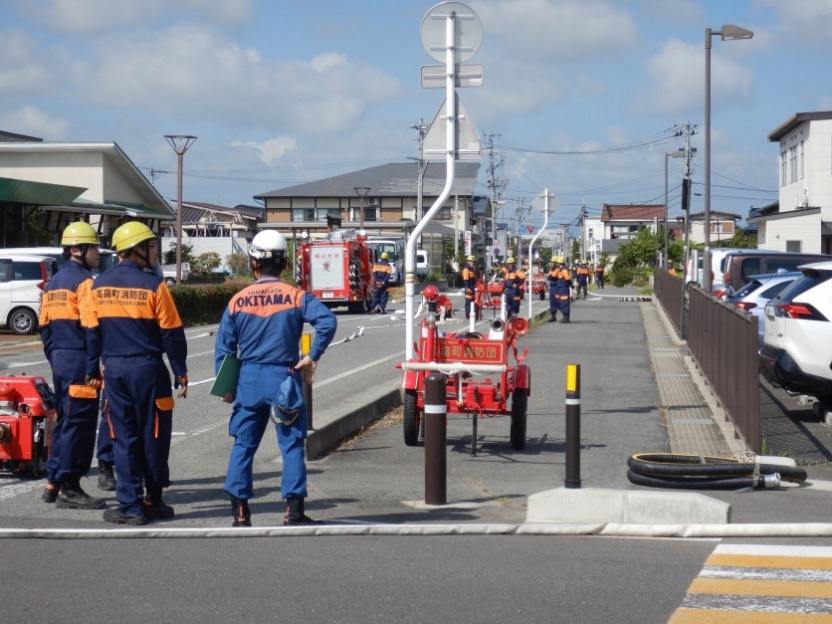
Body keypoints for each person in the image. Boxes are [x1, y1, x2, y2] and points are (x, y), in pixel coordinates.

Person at [215, 230, 337, 527]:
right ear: (283, 264)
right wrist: (312, 356)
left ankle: (240, 514)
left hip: (248, 379)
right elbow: (328, 321)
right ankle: (293, 512)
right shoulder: (296, 297)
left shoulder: (238, 301)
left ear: (254, 262)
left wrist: (226, 385)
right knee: (292, 444)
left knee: (243, 445)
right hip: (284, 377)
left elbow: (225, 347)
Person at [84, 221, 188, 525]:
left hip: (114, 371)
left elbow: (92, 333)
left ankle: (130, 506)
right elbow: (172, 333)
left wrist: (92, 369)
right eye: (152, 246)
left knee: (123, 437)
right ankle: (153, 500)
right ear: (137, 249)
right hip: (148, 370)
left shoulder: (98, 286)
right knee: (154, 434)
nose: (155, 252)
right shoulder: (155, 286)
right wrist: (180, 370)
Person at [38, 222, 106, 510]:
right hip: (80, 358)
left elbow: (43, 327)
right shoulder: (85, 283)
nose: (98, 253)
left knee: (65, 422)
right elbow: (93, 328)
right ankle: (71, 487)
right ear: (78, 250)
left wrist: (55, 355)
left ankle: (53, 482)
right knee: (80, 424)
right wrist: (93, 367)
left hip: (61, 359)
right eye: (94, 248)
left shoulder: (52, 283)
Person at [547, 257, 572, 323]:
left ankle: (566, 317)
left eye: (553, 262)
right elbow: (549, 277)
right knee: (553, 302)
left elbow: (567, 279)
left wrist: (571, 285)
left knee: (562, 302)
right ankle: (554, 316)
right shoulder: (555, 269)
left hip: (559, 288)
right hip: (555, 287)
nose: (552, 263)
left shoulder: (561, 270)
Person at [461, 255, 478, 320]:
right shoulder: (466, 270)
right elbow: (465, 280)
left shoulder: (472, 270)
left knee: (472, 302)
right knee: (468, 302)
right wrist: (467, 288)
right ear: (468, 262)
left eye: (473, 262)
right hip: (469, 288)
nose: (472, 263)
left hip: (472, 288)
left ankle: (472, 314)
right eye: (471, 261)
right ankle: (468, 315)